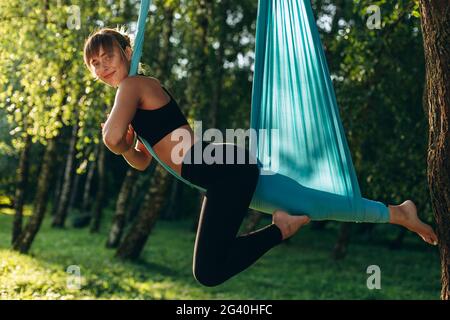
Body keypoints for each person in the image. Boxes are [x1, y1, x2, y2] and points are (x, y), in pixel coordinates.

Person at [83, 28, 438, 287]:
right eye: (94, 64)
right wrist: (130, 146)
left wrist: (115, 141)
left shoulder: (132, 87)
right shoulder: (132, 92)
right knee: (310, 202)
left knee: (208, 271)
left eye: (108, 57)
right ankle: (397, 213)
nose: (102, 68)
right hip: (221, 170)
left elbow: (113, 138)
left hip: (221, 169)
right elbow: (142, 161)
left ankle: (281, 228)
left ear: (127, 51)